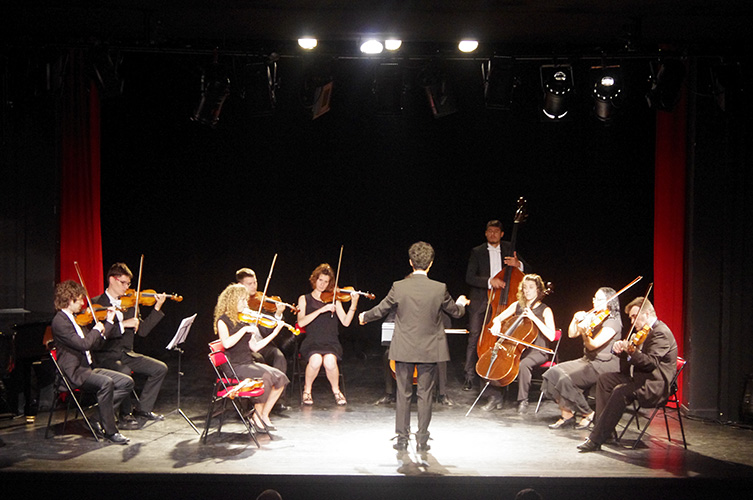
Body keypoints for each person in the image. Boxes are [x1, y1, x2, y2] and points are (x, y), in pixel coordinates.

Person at [359, 241, 469, 452]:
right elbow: (456, 312)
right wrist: (462, 303)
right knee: (425, 394)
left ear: (411, 262)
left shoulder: (399, 286)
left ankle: (402, 439)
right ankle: (422, 440)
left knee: (403, 394)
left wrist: (364, 316)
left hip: (404, 348)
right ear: (430, 264)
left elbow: (381, 309)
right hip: (430, 349)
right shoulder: (439, 288)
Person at [577, 296, 678, 452]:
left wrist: (631, 350)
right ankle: (607, 432)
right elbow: (632, 363)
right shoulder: (643, 333)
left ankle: (595, 440)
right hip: (638, 378)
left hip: (653, 385)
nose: (632, 321)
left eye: (634, 316)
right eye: (630, 317)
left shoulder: (660, 333)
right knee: (605, 380)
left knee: (620, 392)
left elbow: (650, 363)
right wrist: (621, 351)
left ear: (647, 314)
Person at [50, 280, 134, 444]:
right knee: (106, 383)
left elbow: (95, 344)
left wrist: (109, 323)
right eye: (80, 300)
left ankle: (96, 418)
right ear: (70, 299)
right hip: (73, 373)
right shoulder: (60, 321)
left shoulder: (75, 319)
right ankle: (110, 432)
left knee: (126, 382)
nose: (83, 303)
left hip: (87, 369)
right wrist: (96, 329)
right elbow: (84, 344)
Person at [91, 263, 168, 429]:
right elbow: (100, 336)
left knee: (160, 368)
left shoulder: (130, 303)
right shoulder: (96, 304)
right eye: (124, 283)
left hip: (126, 354)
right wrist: (124, 324)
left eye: (128, 284)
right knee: (124, 373)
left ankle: (143, 409)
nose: (127, 287)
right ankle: (125, 415)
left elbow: (143, 331)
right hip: (106, 356)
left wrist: (157, 308)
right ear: (112, 279)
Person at [542, 287, 621, 429]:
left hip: (604, 364)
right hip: (588, 360)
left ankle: (588, 413)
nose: (595, 302)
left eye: (599, 299)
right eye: (594, 298)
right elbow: (572, 334)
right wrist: (575, 319)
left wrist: (585, 332)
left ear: (610, 302)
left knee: (565, 379)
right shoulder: (594, 317)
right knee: (552, 373)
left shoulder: (613, 322)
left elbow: (593, 345)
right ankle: (567, 415)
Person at [214, 283, 290, 431]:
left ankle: (263, 414)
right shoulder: (223, 320)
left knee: (281, 378)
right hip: (234, 366)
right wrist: (244, 330)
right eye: (242, 300)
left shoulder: (243, 319)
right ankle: (256, 415)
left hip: (247, 362)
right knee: (266, 377)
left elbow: (255, 347)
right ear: (232, 302)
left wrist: (275, 332)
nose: (245, 303)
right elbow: (227, 343)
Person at [464, 220, 525, 392]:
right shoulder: (477, 252)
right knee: (475, 336)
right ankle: (469, 376)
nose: (492, 234)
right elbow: (469, 277)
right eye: (489, 231)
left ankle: (499, 373)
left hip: (503, 302)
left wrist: (517, 264)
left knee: (504, 336)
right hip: (481, 299)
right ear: (485, 233)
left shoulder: (509, 248)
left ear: (502, 234)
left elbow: (527, 268)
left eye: (496, 232)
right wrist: (490, 281)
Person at [484, 273, 556, 413]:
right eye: (525, 288)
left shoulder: (545, 310)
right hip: (518, 348)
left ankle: (523, 400)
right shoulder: (517, 305)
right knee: (499, 358)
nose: (527, 290)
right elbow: (498, 318)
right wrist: (497, 323)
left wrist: (534, 318)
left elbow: (551, 335)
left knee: (524, 364)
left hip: (538, 351)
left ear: (538, 290)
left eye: (531, 287)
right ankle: (496, 397)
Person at [297, 263, 359, 406]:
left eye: (326, 281)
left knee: (330, 361)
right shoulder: (304, 299)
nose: (323, 284)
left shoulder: (334, 299)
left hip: (331, 342)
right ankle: (307, 390)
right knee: (316, 360)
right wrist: (321, 310)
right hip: (312, 342)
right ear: (315, 280)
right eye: (320, 280)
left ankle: (336, 391)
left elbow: (345, 322)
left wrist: (353, 305)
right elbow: (301, 323)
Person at [236, 267, 290, 411]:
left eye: (255, 282)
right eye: (250, 283)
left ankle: (277, 400)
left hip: (262, 343)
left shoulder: (263, 304)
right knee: (257, 357)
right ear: (241, 285)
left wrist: (278, 314)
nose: (254, 286)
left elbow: (266, 331)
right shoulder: (236, 305)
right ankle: (253, 402)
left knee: (279, 356)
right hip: (245, 348)